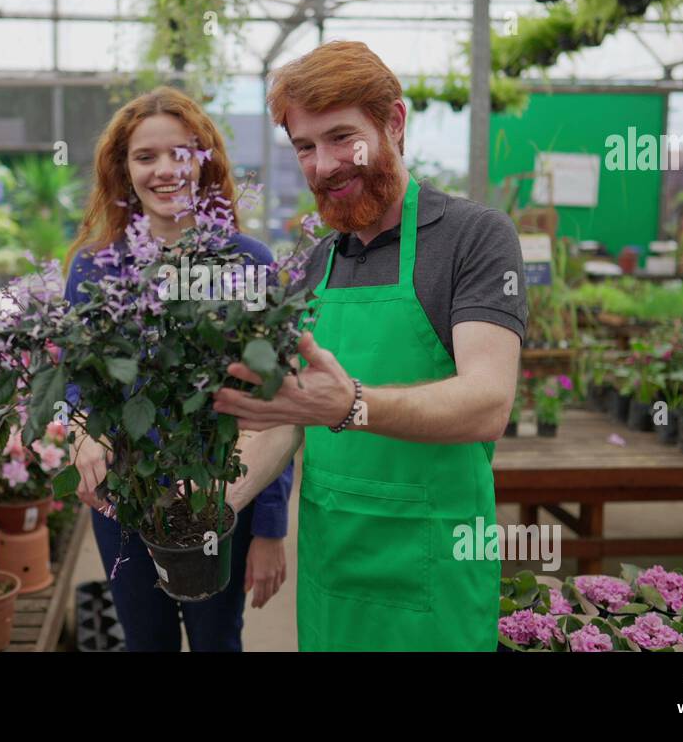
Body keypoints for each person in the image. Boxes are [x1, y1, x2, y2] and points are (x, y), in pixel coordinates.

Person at [214, 41, 528, 651]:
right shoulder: (313, 265)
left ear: (395, 123)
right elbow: (289, 419)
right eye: (305, 146)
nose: (324, 164)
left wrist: (352, 404)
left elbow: (488, 402)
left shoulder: (474, 238)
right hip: (334, 569)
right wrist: (213, 503)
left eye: (341, 137)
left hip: (434, 565)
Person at [64, 86, 293, 651]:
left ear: (204, 160)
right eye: (146, 156)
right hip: (124, 501)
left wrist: (268, 527)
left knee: (218, 641)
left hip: (217, 496)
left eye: (182, 153)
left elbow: (274, 404)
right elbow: (78, 380)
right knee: (146, 642)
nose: (166, 170)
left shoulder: (245, 263)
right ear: (123, 169)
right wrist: (81, 434)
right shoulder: (97, 269)